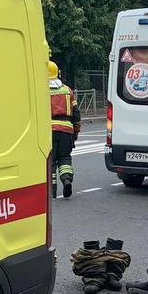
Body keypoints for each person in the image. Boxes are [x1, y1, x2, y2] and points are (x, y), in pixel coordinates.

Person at [49, 59, 81, 197]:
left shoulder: (40, 91)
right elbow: (76, 113)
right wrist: (76, 131)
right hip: (66, 131)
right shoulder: (67, 90)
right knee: (65, 159)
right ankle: (66, 179)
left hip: (48, 131)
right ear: (58, 73)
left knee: (50, 162)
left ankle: (52, 192)